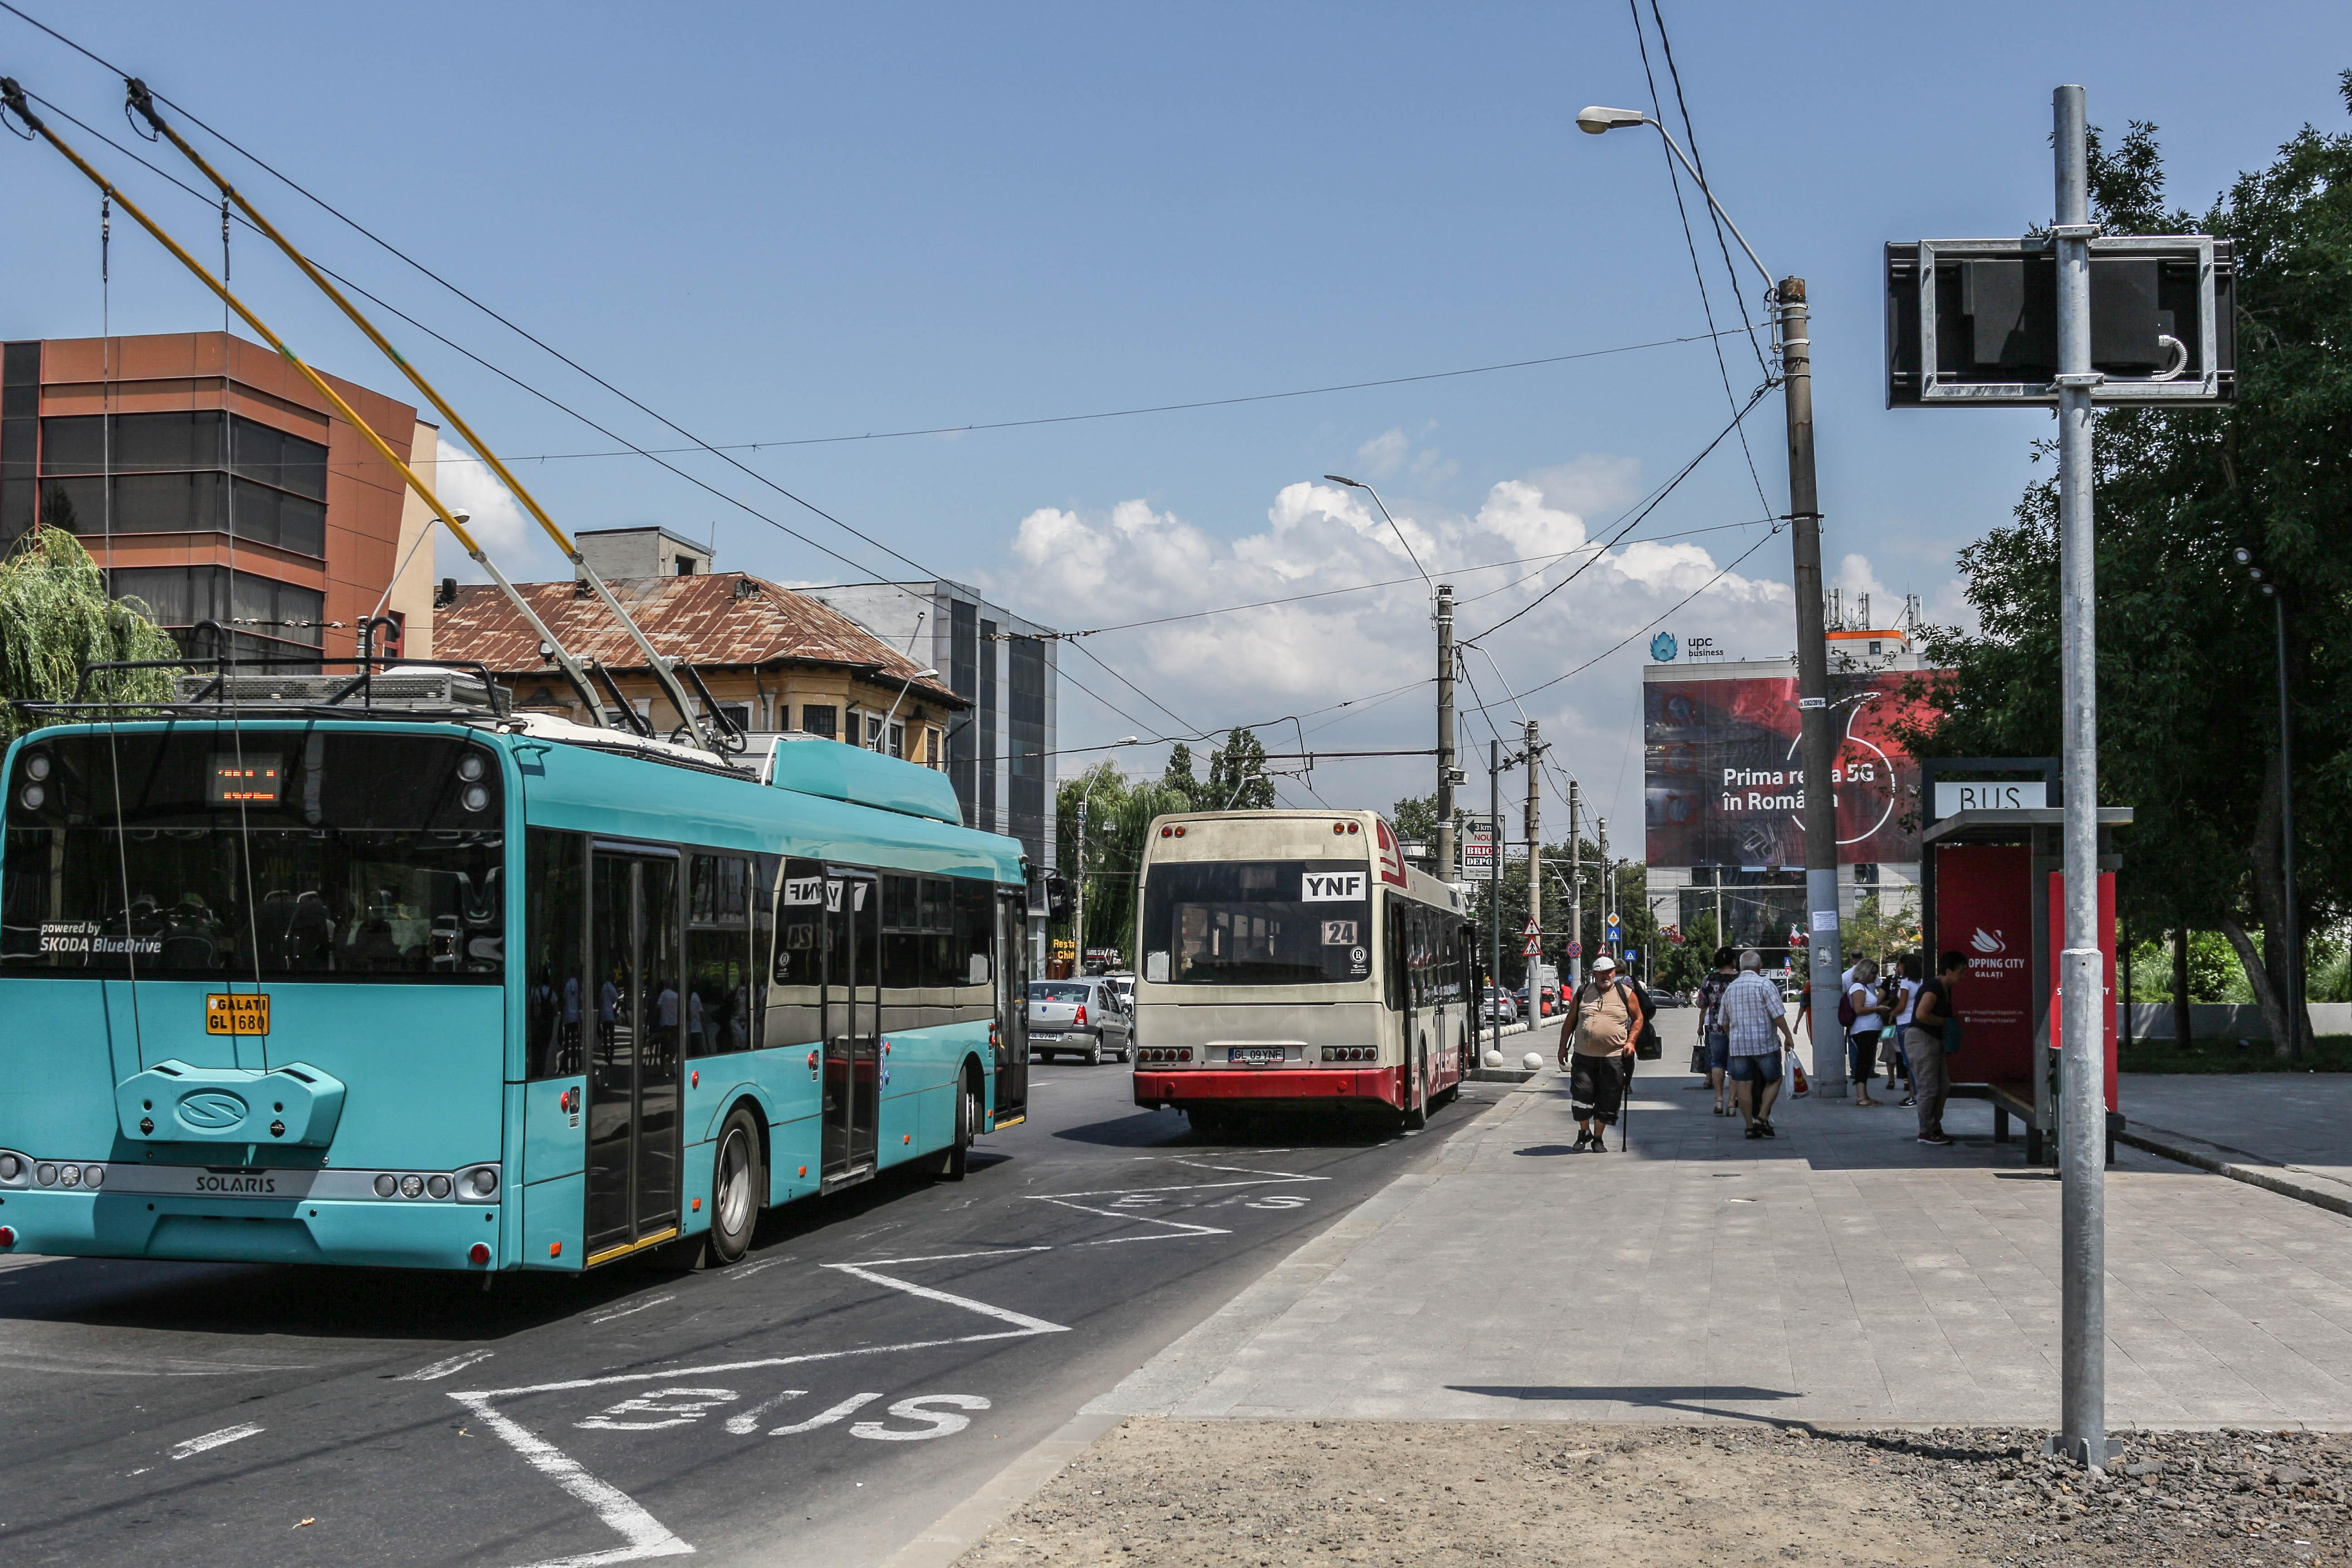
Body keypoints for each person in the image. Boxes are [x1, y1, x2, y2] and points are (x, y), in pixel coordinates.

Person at [1557, 953, 1646, 1152]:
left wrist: (1631, 1042)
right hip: (1583, 1055)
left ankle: (1598, 1139)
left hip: (1614, 1057)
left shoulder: (1626, 993)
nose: (1606, 976)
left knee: (1609, 1098)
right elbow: (1570, 1021)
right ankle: (1583, 1132)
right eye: (1601, 973)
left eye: (1609, 972)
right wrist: (1563, 1047)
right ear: (1594, 974)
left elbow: (1639, 1019)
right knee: (1581, 1094)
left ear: (1615, 973)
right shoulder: (1583, 992)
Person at [1721, 948, 1794, 1138]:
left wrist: (1733, 1038)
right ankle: (1762, 1117)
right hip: (1764, 1044)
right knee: (1775, 1078)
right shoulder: (1765, 985)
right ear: (1760, 967)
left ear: (1740, 967)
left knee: (1744, 1085)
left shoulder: (1731, 989)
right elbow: (1777, 1014)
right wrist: (1788, 1035)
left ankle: (1749, 1127)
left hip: (1739, 1046)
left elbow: (1724, 1022)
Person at [1904, 951, 1965, 1146]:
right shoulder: (1933, 988)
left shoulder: (1946, 988)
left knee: (1943, 1086)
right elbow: (1922, 1015)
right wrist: (1945, 1023)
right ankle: (1925, 1131)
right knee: (1929, 1088)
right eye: (1961, 972)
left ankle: (1935, 1127)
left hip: (1933, 1041)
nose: (1962, 977)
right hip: (1922, 1040)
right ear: (1948, 971)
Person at [1694, 946, 1737, 1115]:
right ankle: (1732, 1102)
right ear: (1734, 961)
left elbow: (1701, 1003)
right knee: (1735, 1065)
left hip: (1716, 1027)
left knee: (1717, 1063)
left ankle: (1719, 1099)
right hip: (1736, 1028)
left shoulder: (1710, 979)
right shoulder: (1739, 979)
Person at [1845, 957, 1890, 1107]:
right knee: (1864, 1062)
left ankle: (1864, 1095)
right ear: (1865, 972)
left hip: (1869, 1029)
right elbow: (1859, 1010)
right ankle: (1861, 1097)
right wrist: (1878, 1009)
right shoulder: (1858, 988)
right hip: (1863, 1030)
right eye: (1873, 973)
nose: (1875, 977)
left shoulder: (1863, 987)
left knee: (1867, 1061)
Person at [1886, 953, 1921, 1104]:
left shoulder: (1906, 983)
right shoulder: (1921, 982)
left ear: (1905, 966)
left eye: (1899, 965)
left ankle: (1915, 1096)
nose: (1898, 968)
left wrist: (1892, 1015)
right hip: (1917, 1023)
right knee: (1917, 1061)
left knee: (1908, 1061)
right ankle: (1916, 1094)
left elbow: (1902, 1005)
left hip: (1904, 1023)